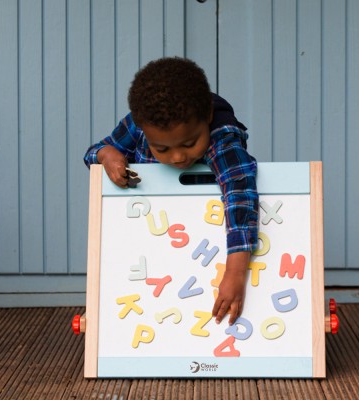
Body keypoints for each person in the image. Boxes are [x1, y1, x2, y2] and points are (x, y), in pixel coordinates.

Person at [84, 57, 258, 325]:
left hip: (206, 247)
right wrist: (107, 155)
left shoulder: (222, 138)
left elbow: (240, 195)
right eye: (162, 149)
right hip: (154, 245)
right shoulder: (141, 124)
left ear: (207, 117)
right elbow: (93, 152)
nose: (177, 157)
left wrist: (235, 273)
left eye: (189, 143)